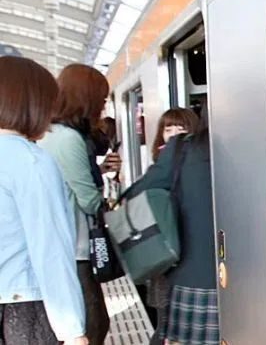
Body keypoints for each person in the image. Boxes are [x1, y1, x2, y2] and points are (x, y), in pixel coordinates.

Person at [0, 56, 89, 345]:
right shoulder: (30, 161)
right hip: (21, 307)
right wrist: (72, 330)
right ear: (33, 104)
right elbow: (50, 248)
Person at [39, 64, 120, 345]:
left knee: (93, 321)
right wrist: (109, 198)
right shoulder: (68, 138)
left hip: (65, 244)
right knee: (93, 322)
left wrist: (100, 171)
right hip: (74, 247)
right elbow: (88, 199)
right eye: (102, 97)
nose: (104, 104)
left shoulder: (53, 133)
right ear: (87, 97)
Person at [125, 110, 218, 345]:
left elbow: (138, 195)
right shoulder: (261, 147)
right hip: (255, 280)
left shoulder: (182, 149)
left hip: (193, 275)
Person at [145, 107, 200, 344]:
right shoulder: (158, 168)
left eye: (181, 128)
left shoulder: (200, 167)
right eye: (169, 128)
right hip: (165, 259)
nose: (175, 133)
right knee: (166, 326)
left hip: (189, 257)